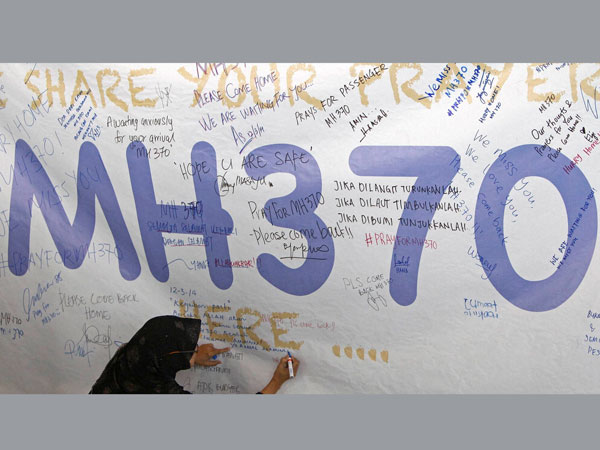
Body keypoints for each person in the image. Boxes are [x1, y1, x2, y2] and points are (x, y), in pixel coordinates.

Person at [89, 315, 299, 394]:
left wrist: (191, 357)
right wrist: (276, 381)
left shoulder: (130, 357)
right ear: (171, 360)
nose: (198, 348)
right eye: (192, 349)